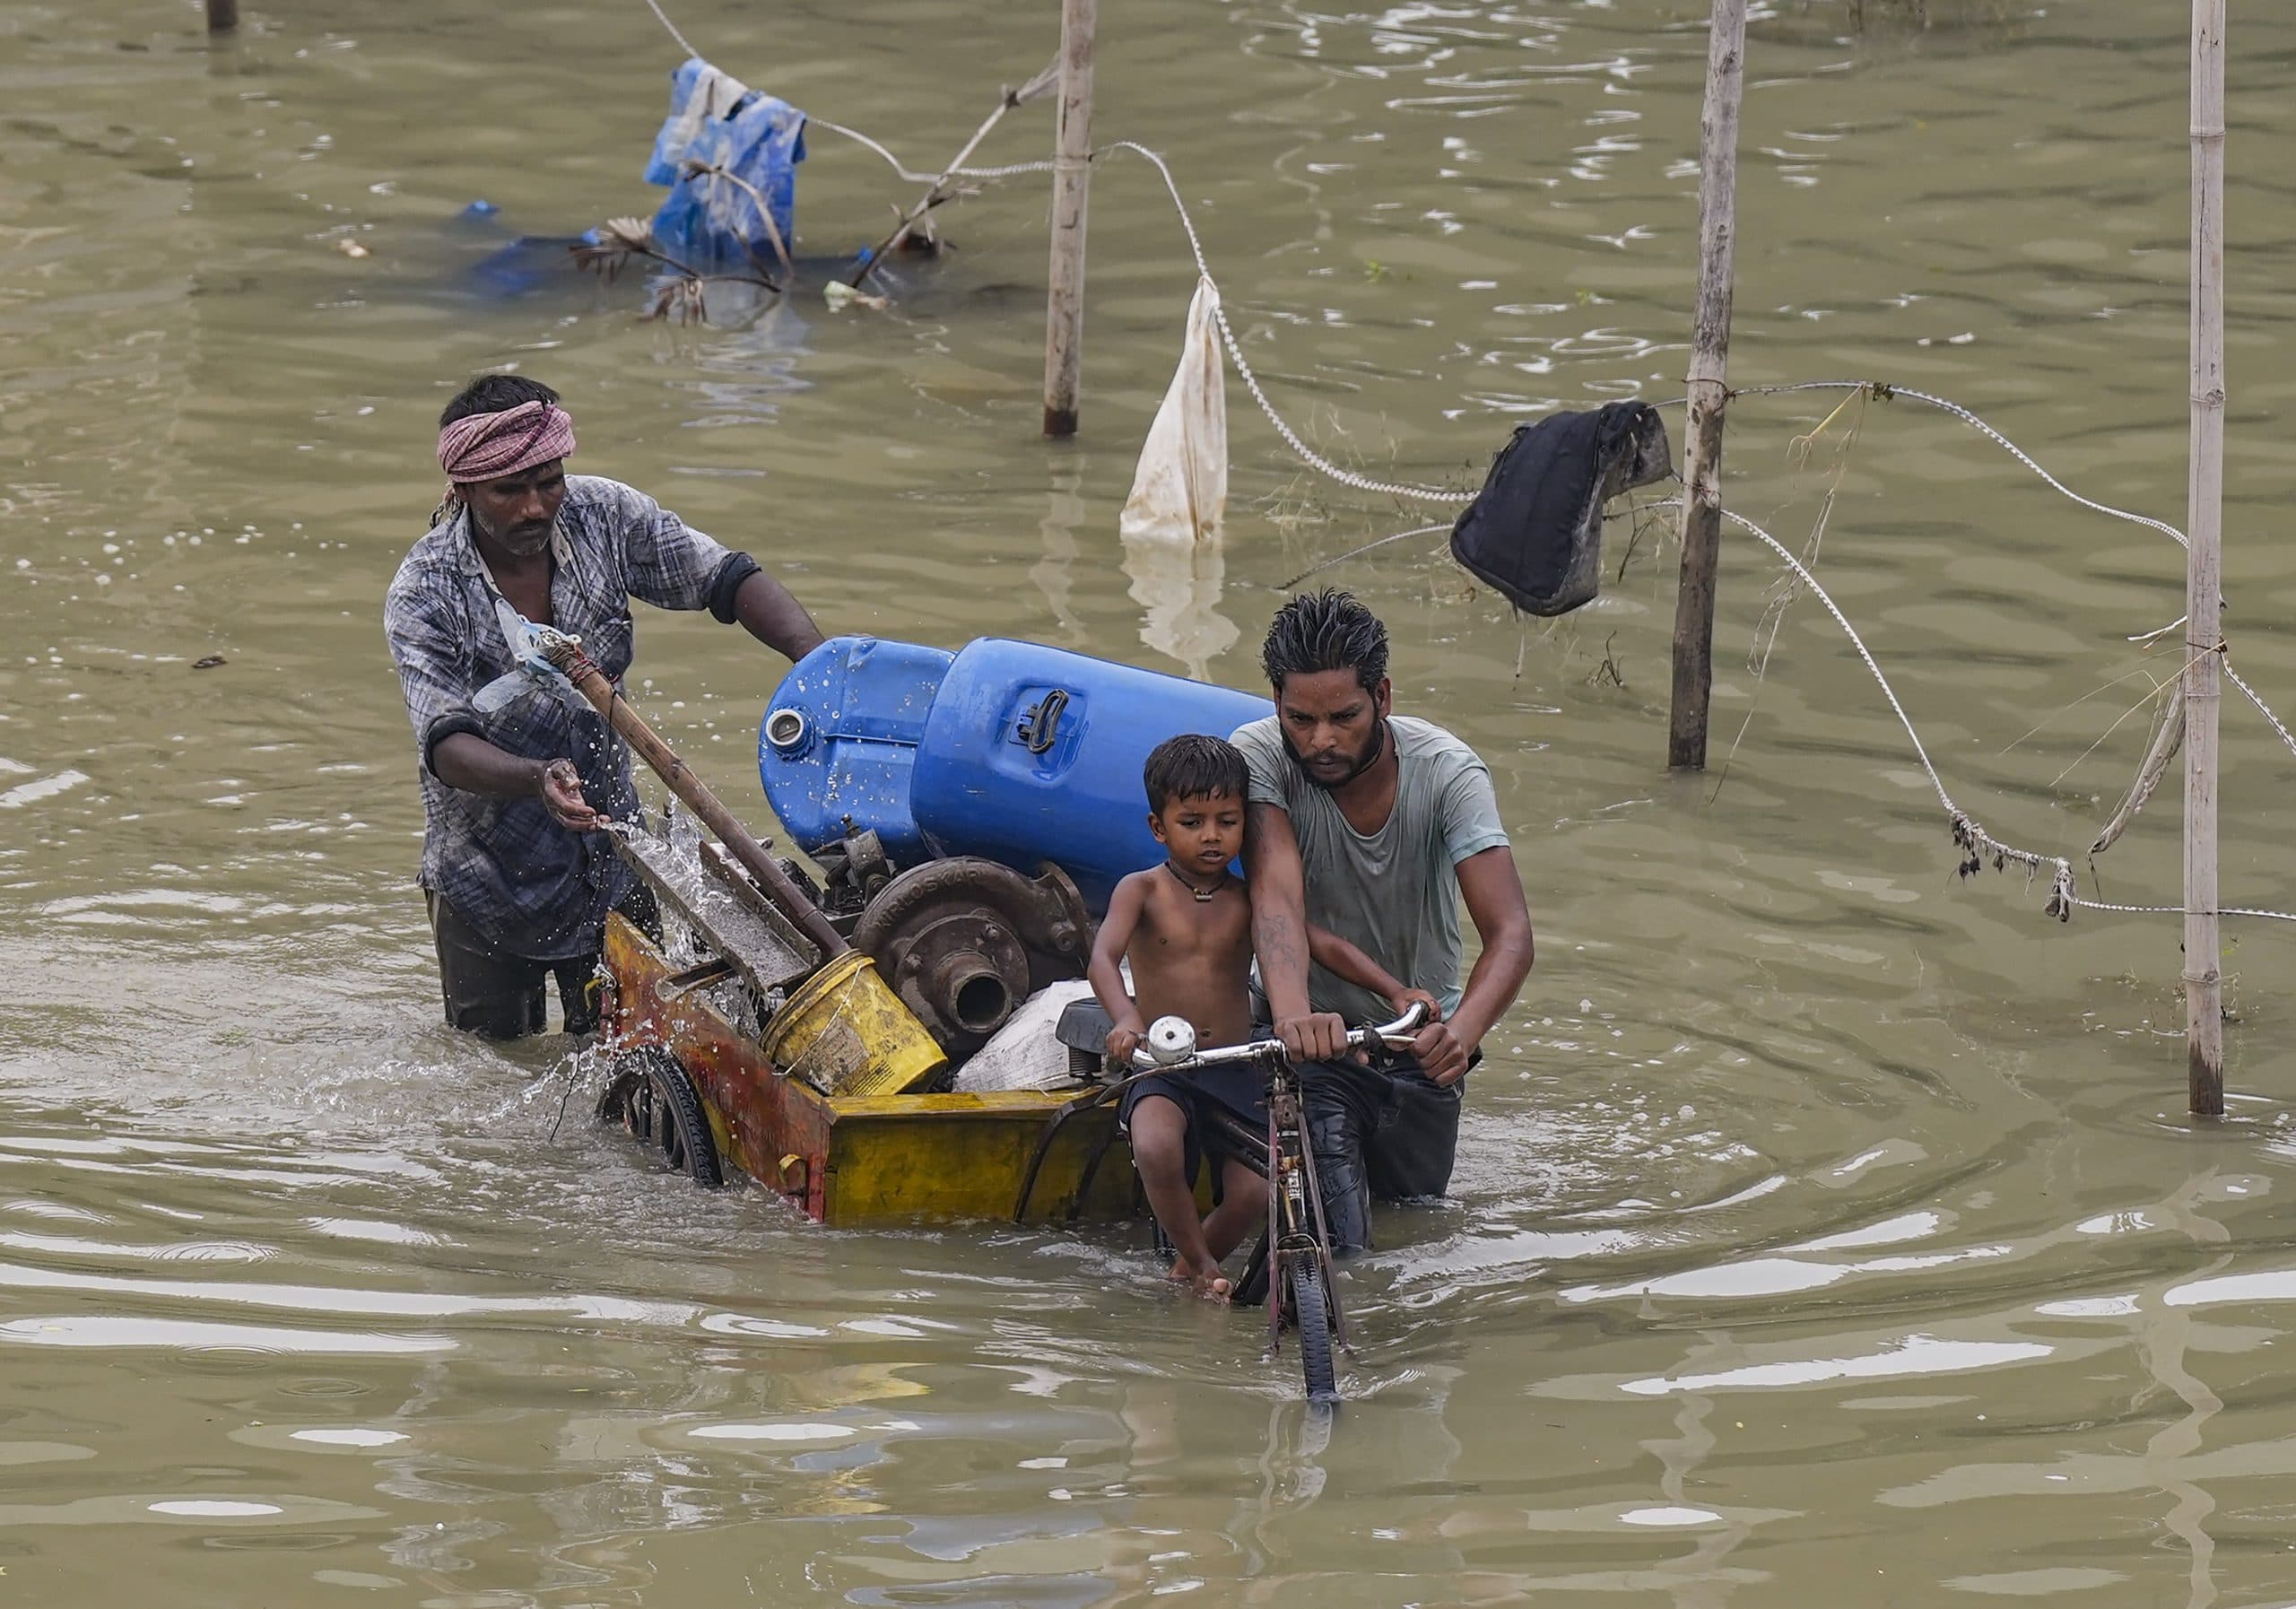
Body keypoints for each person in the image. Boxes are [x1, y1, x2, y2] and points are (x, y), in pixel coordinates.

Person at [384, 374, 824, 1039]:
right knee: (496, 1068)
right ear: (465, 489)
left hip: (612, 860)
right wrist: (535, 778)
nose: (536, 507)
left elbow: (726, 581)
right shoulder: (425, 590)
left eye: (548, 482)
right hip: (486, 875)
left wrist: (823, 668)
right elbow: (445, 745)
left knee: (632, 1058)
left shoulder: (606, 517)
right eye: (510, 490)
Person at [1235, 589, 1535, 1252]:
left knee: (1420, 1225)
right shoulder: (1257, 756)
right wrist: (1292, 1020)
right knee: (1341, 1244)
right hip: (1311, 1033)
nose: (1321, 741)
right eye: (1300, 719)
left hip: (1416, 1041)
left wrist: (1461, 1034)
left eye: (1344, 717)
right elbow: (1277, 898)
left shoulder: (1449, 774)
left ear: (1384, 698)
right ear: (1277, 705)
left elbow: (1510, 934)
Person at [1088, 735, 1433, 1296]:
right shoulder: (1141, 890)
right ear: (1159, 828)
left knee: (1255, 1190)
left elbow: (1319, 944)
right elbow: (1102, 957)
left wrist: (1396, 990)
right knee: (1155, 1145)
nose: (1211, 836)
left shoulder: (1250, 898)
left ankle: (1190, 1270)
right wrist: (1126, 1019)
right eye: (1192, 822)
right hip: (1165, 1065)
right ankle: (1201, 1265)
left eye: (1227, 821)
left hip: (1233, 1064)